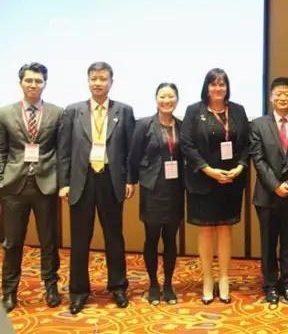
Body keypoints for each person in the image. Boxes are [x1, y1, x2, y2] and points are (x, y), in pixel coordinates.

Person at [58, 61, 135, 314]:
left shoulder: (124, 111)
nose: (98, 83)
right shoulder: (73, 111)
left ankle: (118, 287)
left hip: (111, 180)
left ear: (111, 82)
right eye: (94, 78)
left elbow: (130, 151)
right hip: (82, 181)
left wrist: (129, 179)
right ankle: (78, 291)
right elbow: (64, 151)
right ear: (88, 81)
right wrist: (64, 183)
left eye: (103, 79)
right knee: (80, 239)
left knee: (114, 237)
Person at [180, 68, 249, 304]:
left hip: (230, 180)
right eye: (213, 84)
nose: (218, 88)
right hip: (203, 180)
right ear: (206, 87)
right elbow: (187, 145)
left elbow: (247, 144)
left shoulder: (238, 110)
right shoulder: (194, 111)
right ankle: (208, 278)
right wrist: (208, 170)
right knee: (207, 230)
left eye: (222, 84)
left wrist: (240, 167)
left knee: (226, 229)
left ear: (227, 87)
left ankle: (224, 277)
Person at [0, 63, 63, 312]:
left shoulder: (57, 113)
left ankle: (51, 287)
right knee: (12, 243)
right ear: (21, 83)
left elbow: (61, 151)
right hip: (14, 187)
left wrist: (60, 182)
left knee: (49, 241)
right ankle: (9, 292)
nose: (33, 85)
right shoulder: (5, 113)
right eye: (29, 80)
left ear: (45, 84)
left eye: (38, 81)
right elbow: (1, 150)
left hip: (45, 186)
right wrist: (1, 179)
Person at [250, 77, 288, 306]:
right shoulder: (258, 125)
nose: (283, 97)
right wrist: (275, 185)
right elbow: (258, 159)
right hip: (267, 195)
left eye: (287, 93)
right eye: (278, 94)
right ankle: (270, 285)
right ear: (271, 97)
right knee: (268, 243)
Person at [128, 83, 184, 305]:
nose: (166, 100)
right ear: (156, 99)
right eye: (162, 96)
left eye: (171, 96)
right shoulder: (144, 125)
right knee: (151, 239)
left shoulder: (181, 126)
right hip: (152, 189)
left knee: (170, 239)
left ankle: (168, 284)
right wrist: (131, 180)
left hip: (174, 190)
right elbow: (133, 156)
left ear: (176, 100)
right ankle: (153, 284)